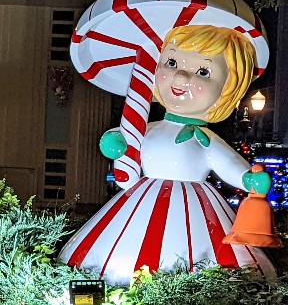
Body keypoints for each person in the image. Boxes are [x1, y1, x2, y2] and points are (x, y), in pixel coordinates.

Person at [60, 24, 275, 282]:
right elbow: (124, 142)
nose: (181, 77)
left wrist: (247, 178)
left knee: (216, 258)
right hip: (141, 198)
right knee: (108, 255)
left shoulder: (206, 140)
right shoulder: (146, 128)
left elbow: (229, 164)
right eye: (171, 62)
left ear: (226, 90)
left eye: (203, 71)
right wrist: (116, 142)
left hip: (200, 205)